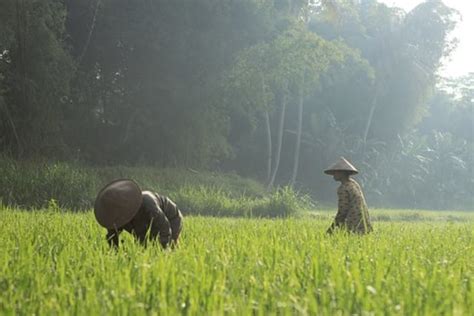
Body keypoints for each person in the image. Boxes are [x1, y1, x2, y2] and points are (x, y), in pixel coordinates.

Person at [94, 179, 183, 248]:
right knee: (143, 248)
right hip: (142, 226)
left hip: (170, 218)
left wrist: (163, 250)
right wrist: (115, 255)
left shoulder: (148, 202)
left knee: (164, 246)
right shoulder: (116, 216)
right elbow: (112, 236)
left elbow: (164, 227)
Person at [324, 157, 372, 234]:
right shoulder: (354, 184)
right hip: (365, 223)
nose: (333, 175)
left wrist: (331, 229)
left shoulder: (343, 188)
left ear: (343, 173)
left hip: (353, 224)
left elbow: (342, 212)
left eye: (336, 172)